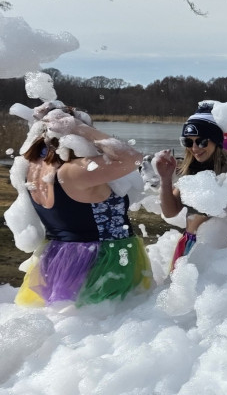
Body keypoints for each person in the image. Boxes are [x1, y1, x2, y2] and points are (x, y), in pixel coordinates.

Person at [15, 106, 152, 306]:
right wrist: (81, 128)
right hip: (104, 262)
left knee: (66, 325)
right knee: (106, 329)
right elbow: (133, 158)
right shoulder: (73, 171)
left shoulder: (31, 166)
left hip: (56, 260)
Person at [157, 104, 227, 266]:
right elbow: (170, 212)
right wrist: (165, 179)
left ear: (216, 141)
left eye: (202, 141)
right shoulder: (191, 171)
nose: (194, 148)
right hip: (189, 243)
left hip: (218, 250)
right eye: (188, 141)